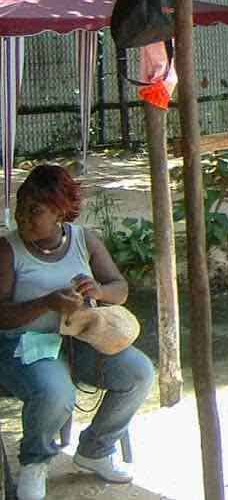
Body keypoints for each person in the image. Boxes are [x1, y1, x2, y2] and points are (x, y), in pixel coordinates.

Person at [0, 165, 155, 500]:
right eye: (22, 206)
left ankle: (96, 449)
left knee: (139, 373)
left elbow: (120, 289)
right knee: (57, 394)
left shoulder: (84, 240)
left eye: (35, 211)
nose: (24, 218)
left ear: (59, 212)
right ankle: (35, 463)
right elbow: (1, 316)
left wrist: (98, 291)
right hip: (24, 346)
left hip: (81, 340)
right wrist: (47, 303)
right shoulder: (8, 250)